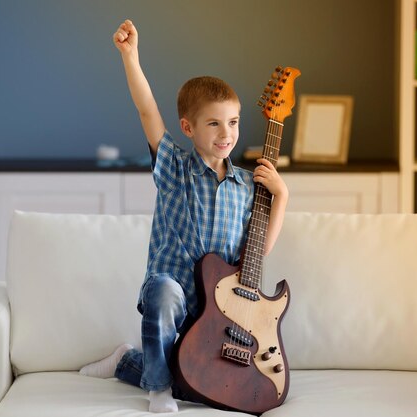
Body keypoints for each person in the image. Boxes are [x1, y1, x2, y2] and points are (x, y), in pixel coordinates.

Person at [80, 19, 289, 413]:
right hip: (176, 290)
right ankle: (156, 388)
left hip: (221, 308)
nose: (226, 133)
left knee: (199, 385)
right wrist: (131, 56)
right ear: (187, 128)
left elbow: (257, 252)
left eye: (233, 122)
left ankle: (127, 361)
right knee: (162, 292)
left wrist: (282, 196)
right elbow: (146, 110)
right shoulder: (175, 167)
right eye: (213, 123)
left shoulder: (248, 186)